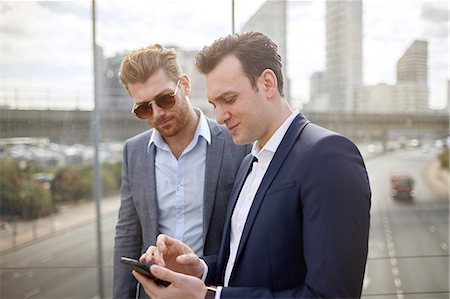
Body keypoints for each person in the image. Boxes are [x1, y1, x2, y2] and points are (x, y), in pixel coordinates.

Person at [133, 32, 371, 299]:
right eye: (214, 104)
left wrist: (208, 297)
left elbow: (331, 295)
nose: (220, 117)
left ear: (267, 83)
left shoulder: (328, 157)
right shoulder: (249, 161)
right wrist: (197, 269)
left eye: (229, 99)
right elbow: (240, 265)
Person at [113, 43, 250, 299]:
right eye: (143, 108)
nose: (157, 113)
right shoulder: (133, 151)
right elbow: (127, 236)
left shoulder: (237, 143)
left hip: (212, 290)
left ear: (185, 85)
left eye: (165, 98)